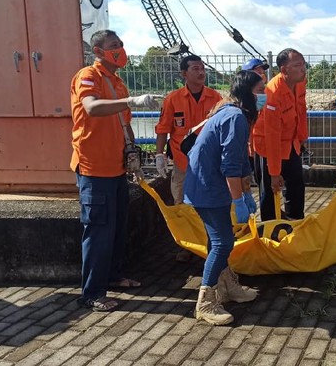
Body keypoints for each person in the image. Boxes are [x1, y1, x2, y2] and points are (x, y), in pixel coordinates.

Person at [70, 29, 160, 311]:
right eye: (113, 46)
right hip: (94, 168)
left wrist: (132, 152)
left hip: (116, 167)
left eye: (120, 44)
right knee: (98, 231)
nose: (120, 49)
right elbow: (92, 108)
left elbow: (124, 122)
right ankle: (92, 293)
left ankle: (113, 276)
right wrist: (131, 101)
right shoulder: (88, 76)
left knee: (118, 227)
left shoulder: (117, 82)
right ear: (98, 51)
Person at [184, 70, 263, 325]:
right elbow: (230, 165)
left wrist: (247, 193)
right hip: (208, 187)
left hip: (207, 185)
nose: (264, 96)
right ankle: (205, 303)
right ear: (249, 92)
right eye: (261, 90)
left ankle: (228, 286)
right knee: (222, 243)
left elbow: (240, 160)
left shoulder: (231, 112)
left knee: (217, 239)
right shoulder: (235, 117)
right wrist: (239, 200)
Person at [154, 55, 222, 205]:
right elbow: (163, 128)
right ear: (184, 73)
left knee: (209, 203)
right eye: (196, 69)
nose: (201, 73)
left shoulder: (215, 97)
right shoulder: (173, 99)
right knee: (181, 204)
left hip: (209, 162)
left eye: (203, 68)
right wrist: (160, 155)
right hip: (182, 162)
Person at [252, 48, 308, 220]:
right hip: (269, 148)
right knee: (270, 190)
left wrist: (301, 140)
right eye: (298, 65)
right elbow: (272, 135)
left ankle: (295, 224)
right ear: (284, 70)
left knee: (296, 187)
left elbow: (301, 110)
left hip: (291, 144)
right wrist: (275, 173)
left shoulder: (300, 82)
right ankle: (269, 230)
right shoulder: (273, 93)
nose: (303, 68)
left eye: (303, 64)